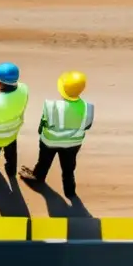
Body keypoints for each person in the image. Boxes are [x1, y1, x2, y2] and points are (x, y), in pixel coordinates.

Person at [18, 70, 94, 199]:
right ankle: (70, 191)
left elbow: (43, 123)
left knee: (44, 162)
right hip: (73, 144)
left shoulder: (51, 105)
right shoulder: (88, 107)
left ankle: (38, 177)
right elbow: (87, 125)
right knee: (68, 169)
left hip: (49, 142)